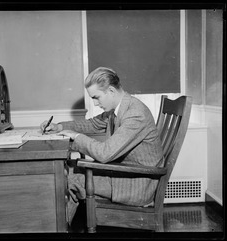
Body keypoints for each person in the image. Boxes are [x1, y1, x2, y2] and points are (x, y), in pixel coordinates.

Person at [40, 67, 164, 225]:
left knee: (69, 180)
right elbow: (92, 124)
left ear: (111, 91)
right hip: (126, 174)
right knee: (65, 171)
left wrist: (76, 136)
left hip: (137, 184)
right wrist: (59, 127)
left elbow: (105, 154)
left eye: (97, 97)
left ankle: (58, 229)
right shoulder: (119, 107)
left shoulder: (135, 113)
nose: (95, 103)